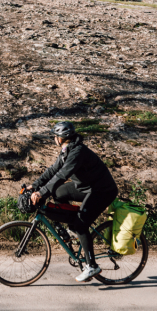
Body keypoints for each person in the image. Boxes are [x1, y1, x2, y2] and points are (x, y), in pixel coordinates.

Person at [30, 121, 119, 282]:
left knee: (81, 224)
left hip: (102, 190)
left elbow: (62, 175)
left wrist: (42, 193)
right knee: (58, 192)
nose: (54, 139)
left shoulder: (77, 152)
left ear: (62, 138)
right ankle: (73, 227)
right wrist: (35, 185)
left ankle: (92, 266)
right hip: (86, 187)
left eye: (55, 136)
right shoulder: (67, 150)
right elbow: (53, 170)